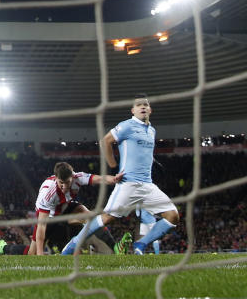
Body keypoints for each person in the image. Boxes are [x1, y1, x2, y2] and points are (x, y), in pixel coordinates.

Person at [61, 94, 180, 255]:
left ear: (150, 110)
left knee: (173, 216)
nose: (143, 107)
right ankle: (73, 244)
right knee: (107, 218)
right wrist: (112, 165)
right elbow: (106, 141)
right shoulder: (127, 126)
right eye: (139, 105)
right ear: (133, 110)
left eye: (145, 105)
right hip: (129, 183)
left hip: (148, 185)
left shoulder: (152, 130)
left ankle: (141, 245)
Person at [31, 162, 128, 255]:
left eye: (67, 182)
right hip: (49, 218)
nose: (64, 187)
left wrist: (114, 179)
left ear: (72, 177)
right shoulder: (48, 193)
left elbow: (99, 179)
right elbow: (42, 225)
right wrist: (40, 254)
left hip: (66, 208)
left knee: (91, 217)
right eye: (61, 183)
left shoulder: (78, 178)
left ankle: (115, 247)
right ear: (56, 178)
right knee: (33, 254)